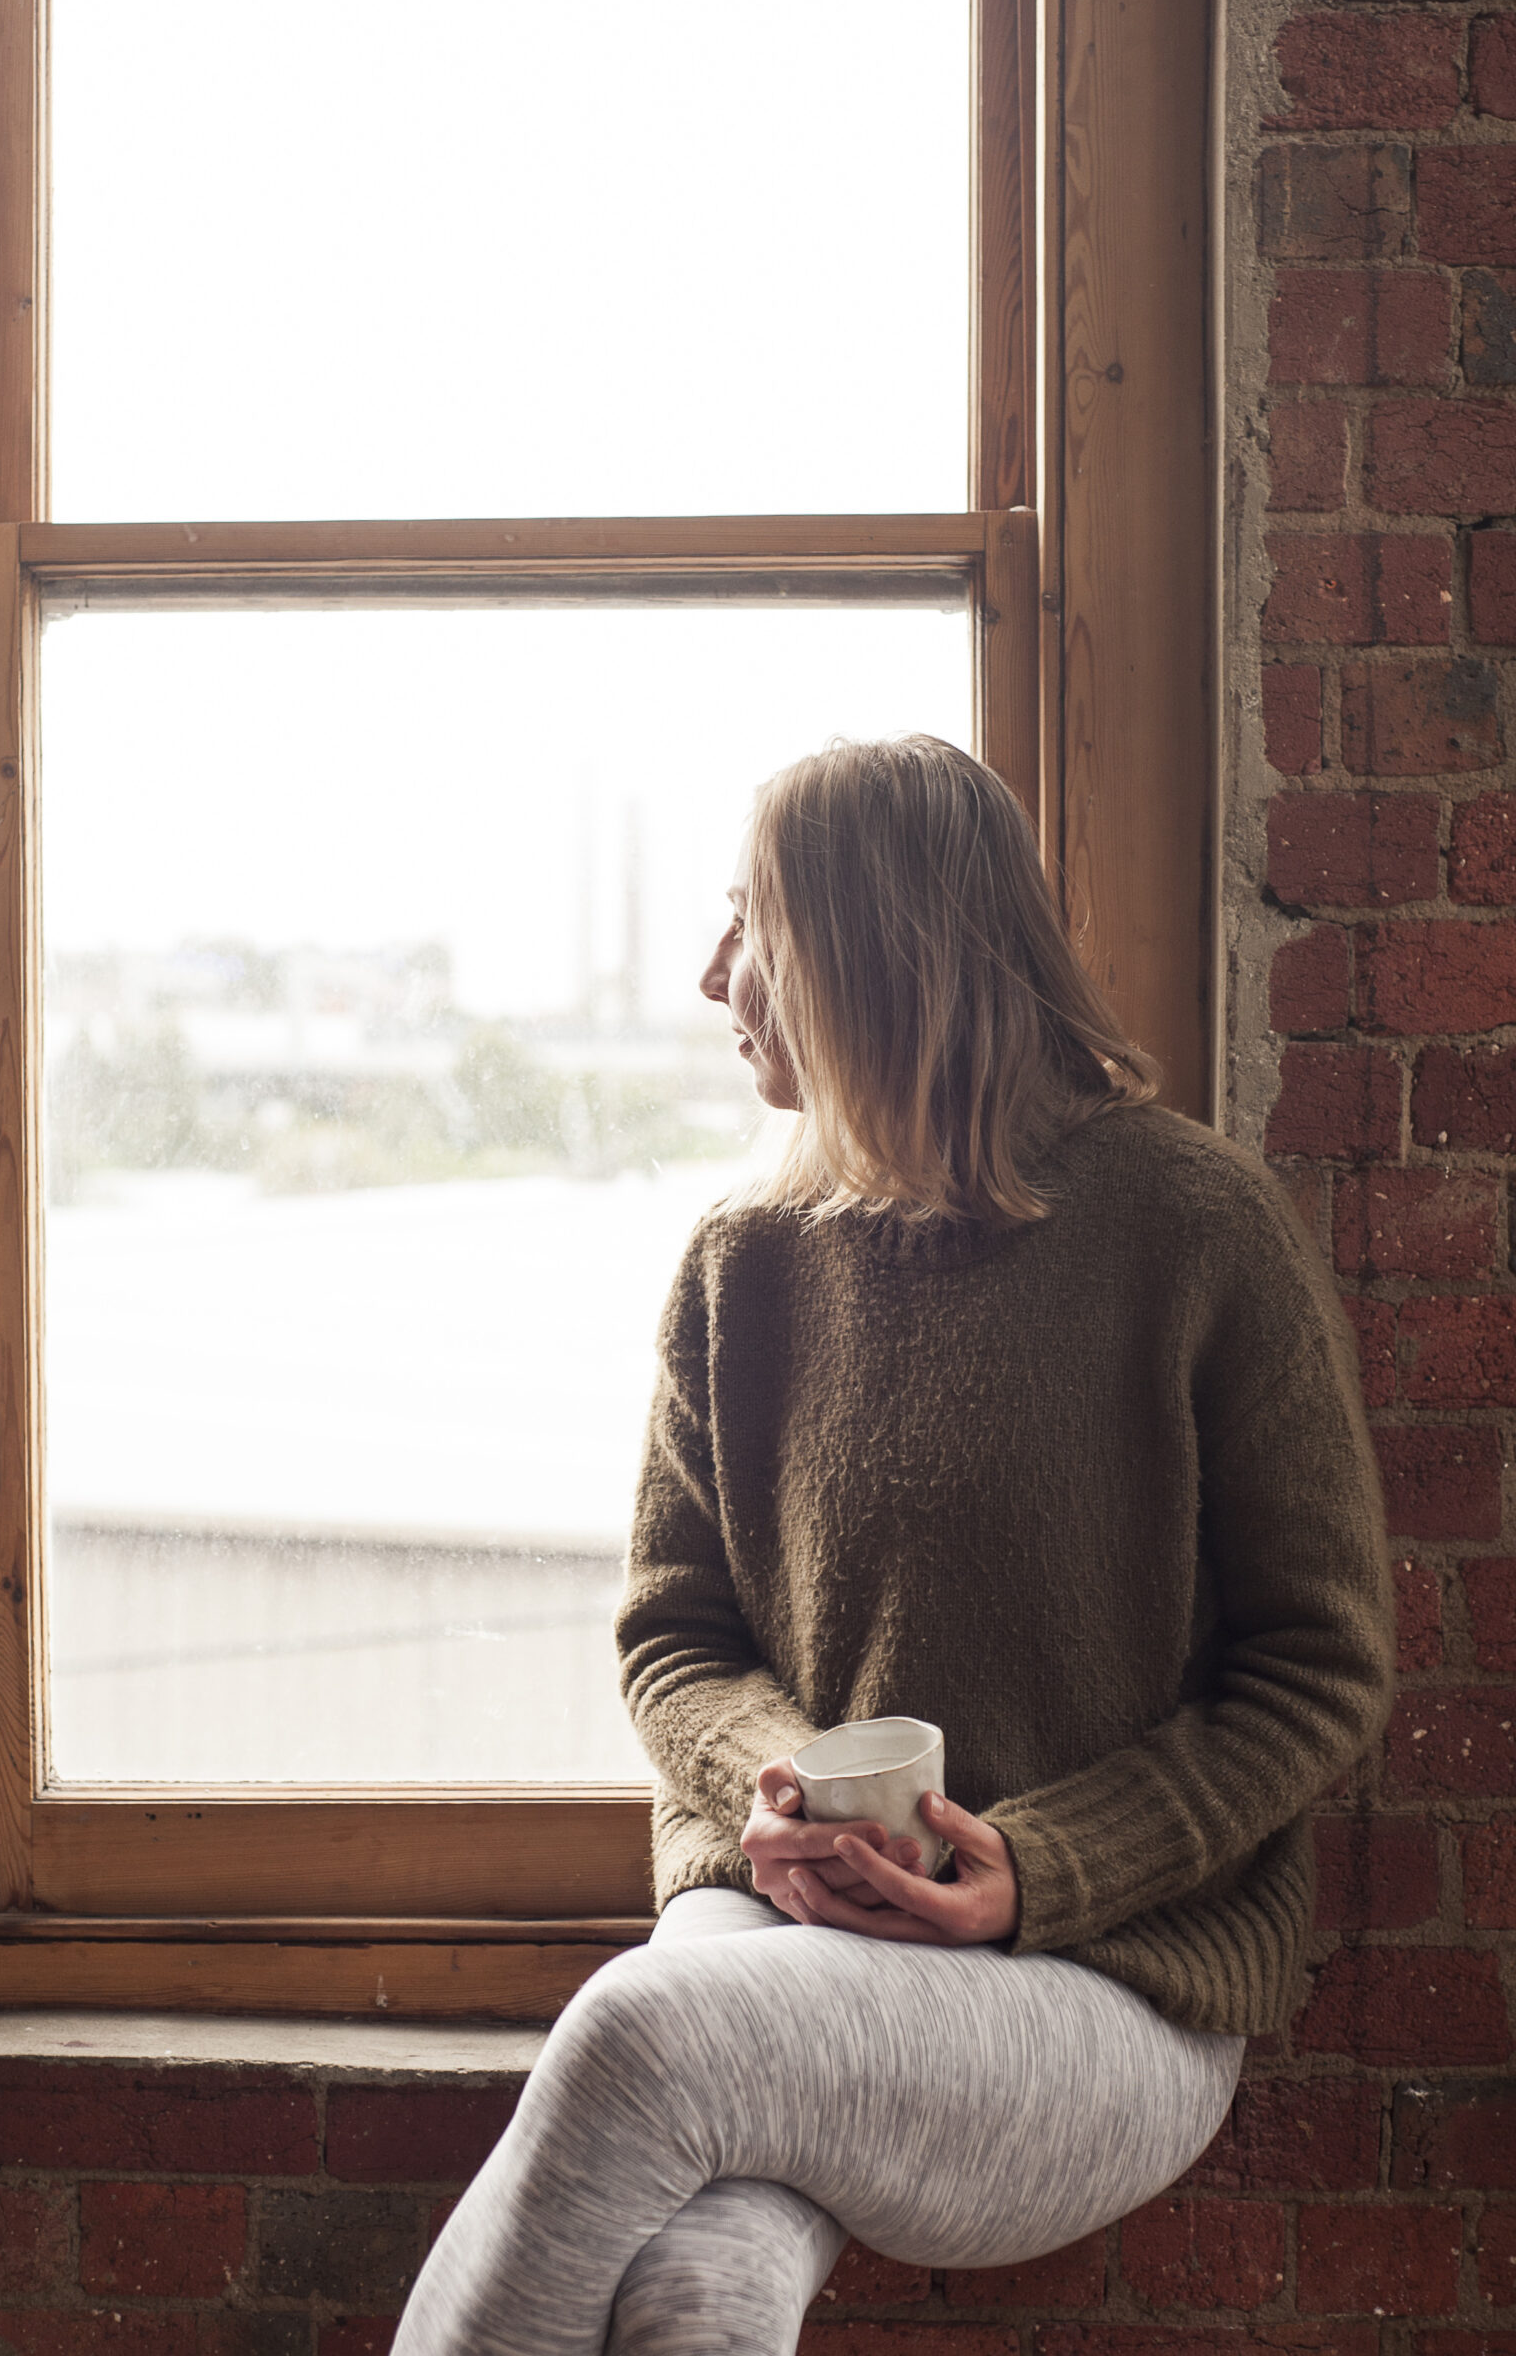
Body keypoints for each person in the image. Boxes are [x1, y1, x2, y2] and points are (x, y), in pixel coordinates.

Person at [394, 735, 1393, 2356]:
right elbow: (673, 1635)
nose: (714, 972)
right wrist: (783, 1784)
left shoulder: (1196, 1232)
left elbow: (1321, 1669)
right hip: (774, 1925)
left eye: (755, 926)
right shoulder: (745, 1265)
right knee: (695, 2285)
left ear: (881, 951)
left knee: (640, 2045)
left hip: (1101, 1977)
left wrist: (1038, 1870)